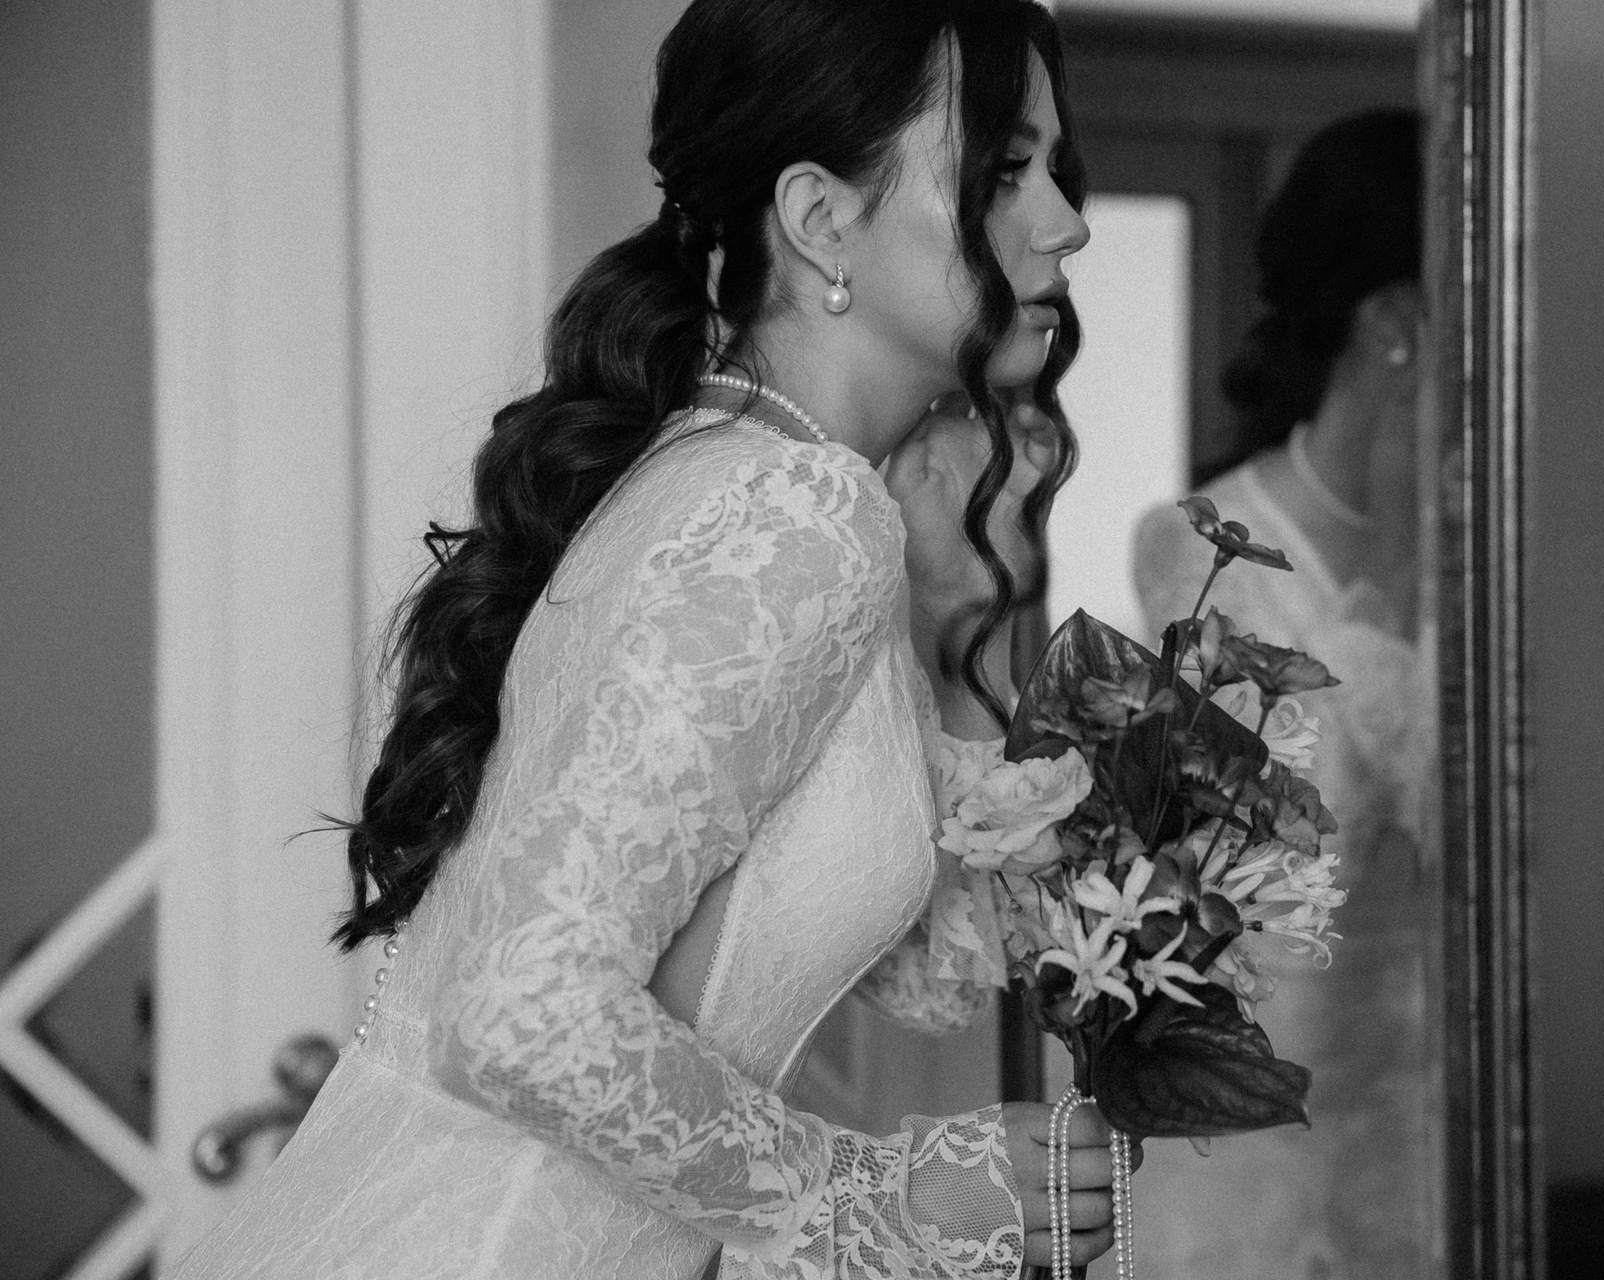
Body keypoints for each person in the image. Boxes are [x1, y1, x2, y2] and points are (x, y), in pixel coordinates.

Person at [176, 2, 1133, 1276]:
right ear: (819, 218)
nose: (1065, 221)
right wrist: (883, 1192)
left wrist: (967, 616)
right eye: (1006, 170)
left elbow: (910, 964)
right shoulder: (792, 511)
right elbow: (522, 1006)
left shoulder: (742, 476)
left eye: (1056, 171)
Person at [1131, 108, 1435, 1278]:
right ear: (1395, 320)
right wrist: (1400, 573)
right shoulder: (1205, 554)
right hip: (1256, 1157)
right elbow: (1282, 872)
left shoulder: (1489, 546)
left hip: (1426, 1140)